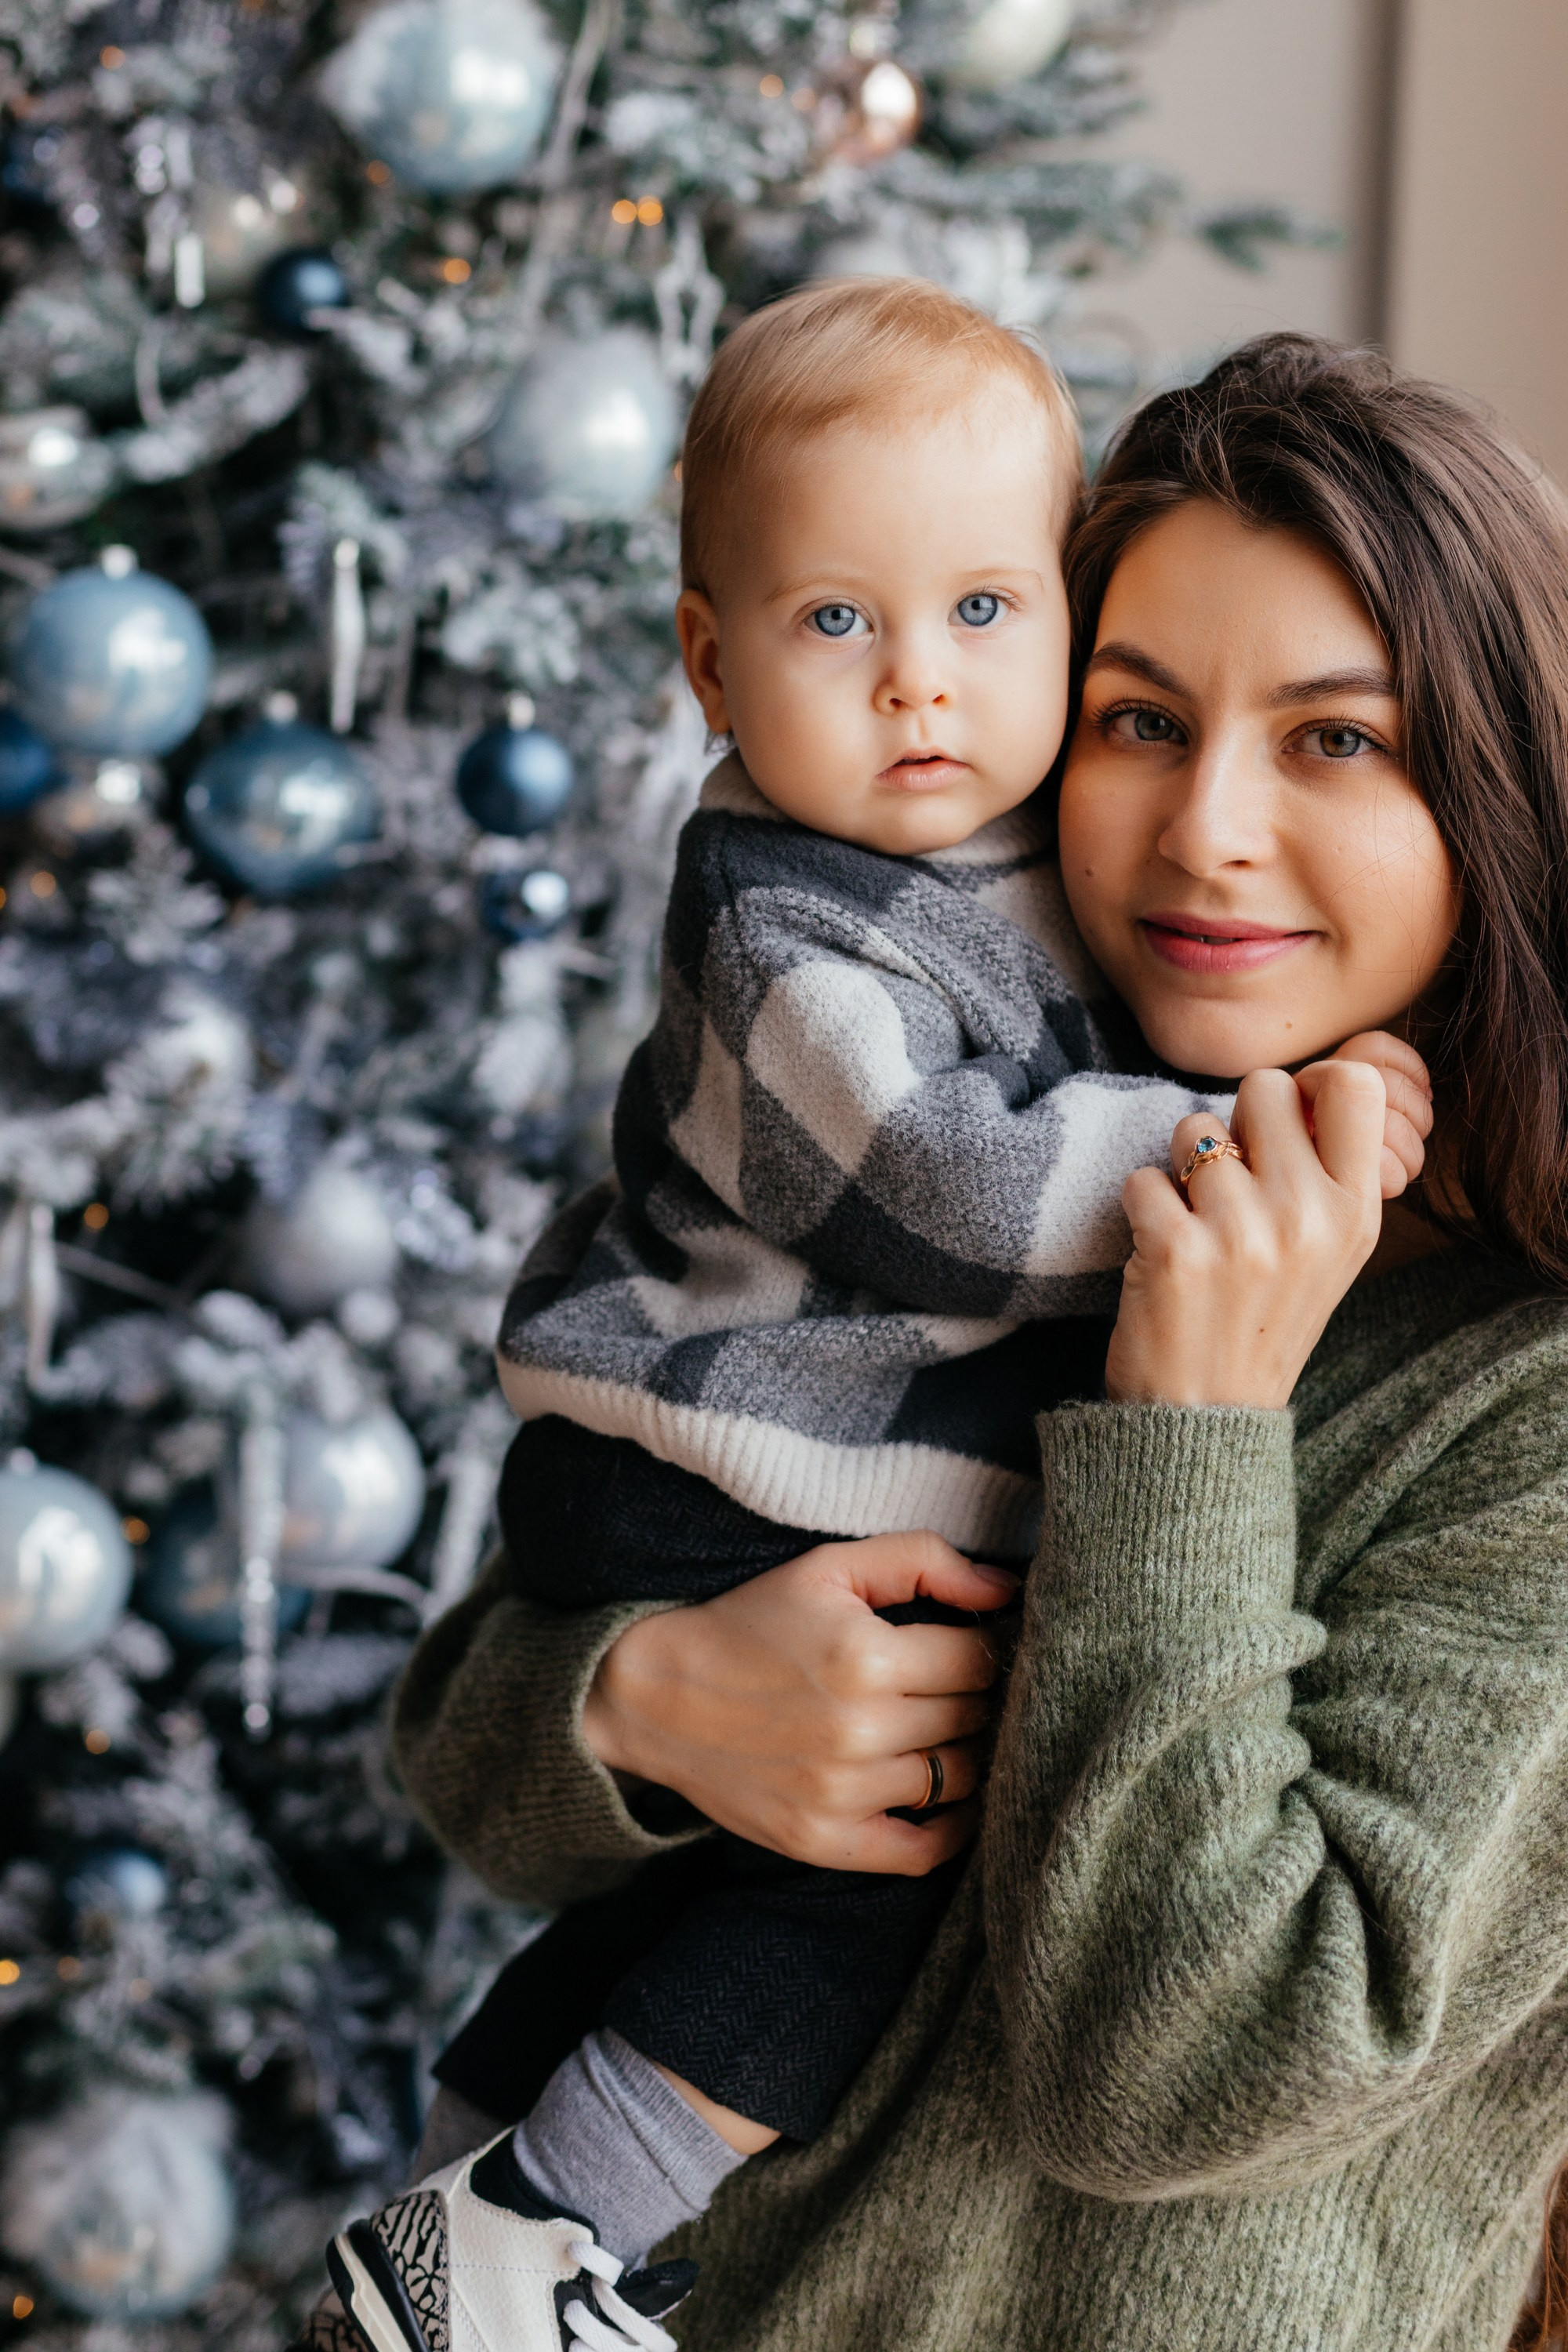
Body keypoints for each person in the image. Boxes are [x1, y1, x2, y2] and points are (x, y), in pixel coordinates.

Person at [388, 329, 1568, 2352]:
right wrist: (647, 1705)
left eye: (1337, 740)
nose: (1205, 829)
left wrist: (1191, 1429)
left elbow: (1174, 2080)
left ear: (1498, 791)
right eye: (1140, 718)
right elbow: (462, 1744)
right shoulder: (951, 1127)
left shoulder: (1522, 1397)